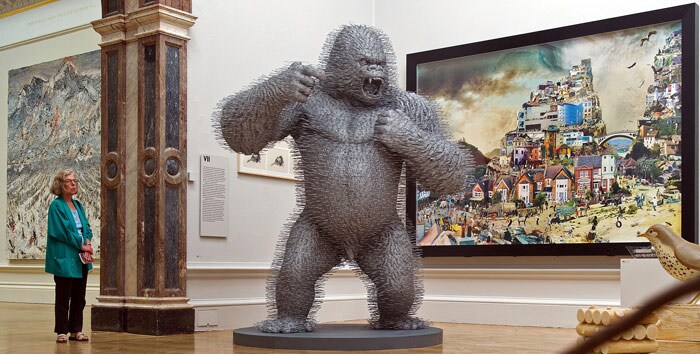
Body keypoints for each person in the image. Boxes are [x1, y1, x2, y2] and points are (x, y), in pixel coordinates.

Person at [45, 169, 93, 343]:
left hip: (81, 256)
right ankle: (62, 331)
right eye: (69, 181)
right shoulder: (56, 206)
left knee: (80, 296)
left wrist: (87, 242)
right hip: (65, 255)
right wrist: (82, 245)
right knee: (64, 296)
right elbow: (63, 230)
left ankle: (76, 330)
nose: (73, 184)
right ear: (60, 184)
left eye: (75, 181)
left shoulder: (78, 205)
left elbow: (86, 227)